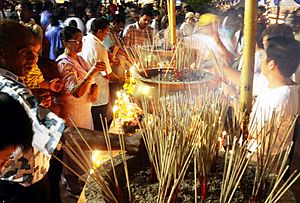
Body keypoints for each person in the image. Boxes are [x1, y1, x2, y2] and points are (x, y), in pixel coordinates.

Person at [0, 19, 142, 203]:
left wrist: (36, 95)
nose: (33, 59)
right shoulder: (12, 90)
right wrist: (127, 142)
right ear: (2, 53)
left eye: (35, 52)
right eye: (25, 53)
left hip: (25, 180)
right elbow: (62, 134)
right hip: (21, 187)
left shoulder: (14, 83)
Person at [221, 37, 300, 154]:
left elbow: (251, 130)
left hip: (260, 157)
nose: (260, 58)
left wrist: (234, 98)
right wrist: (220, 67)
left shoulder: (279, 98)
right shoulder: (278, 83)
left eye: (263, 55)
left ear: (271, 65)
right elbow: (245, 80)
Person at [81, 17, 120, 131]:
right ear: (99, 31)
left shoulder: (86, 39)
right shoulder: (99, 48)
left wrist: (110, 61)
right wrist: (122, 79)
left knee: (92, 123)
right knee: (100, 126)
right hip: (98, 93)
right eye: (107, 31)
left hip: (88, 89)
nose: (107, 34)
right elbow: (107, 74)